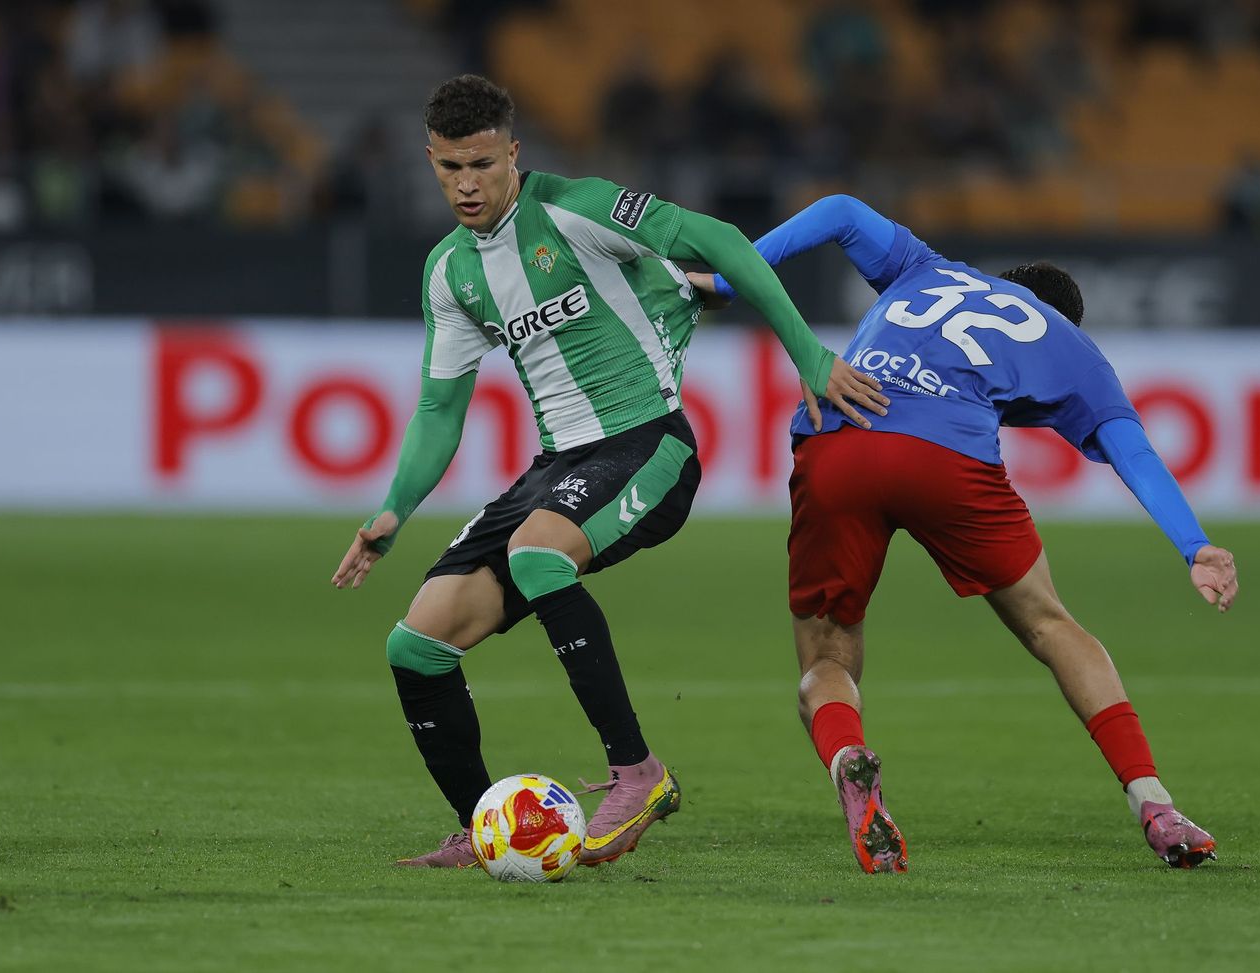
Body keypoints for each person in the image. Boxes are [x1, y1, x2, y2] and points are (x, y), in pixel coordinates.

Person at [332, 77, 886, 868]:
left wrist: (810, 354)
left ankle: (638, 772)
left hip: (650, 443)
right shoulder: (450, 271)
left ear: (513, 153)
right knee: (416, 643)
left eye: (483, 164)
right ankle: (483, 827)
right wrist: (391, 511)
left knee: (536, 550)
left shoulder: (578, 207)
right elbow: (438, 408)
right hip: (557, 466)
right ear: (430, 159)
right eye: (449, 167)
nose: (466, 184)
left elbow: (724, 239)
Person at [690, 195, 1238, 874]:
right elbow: (1135, 453)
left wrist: (725, 280)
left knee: (825, 656)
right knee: (1051, 624)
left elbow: (837, 211)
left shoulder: (925, 267)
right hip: (944, 457)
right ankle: (1154, 802)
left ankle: (848, 755)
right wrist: (1195, 544)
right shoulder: (1072, 346)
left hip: (839, 430)